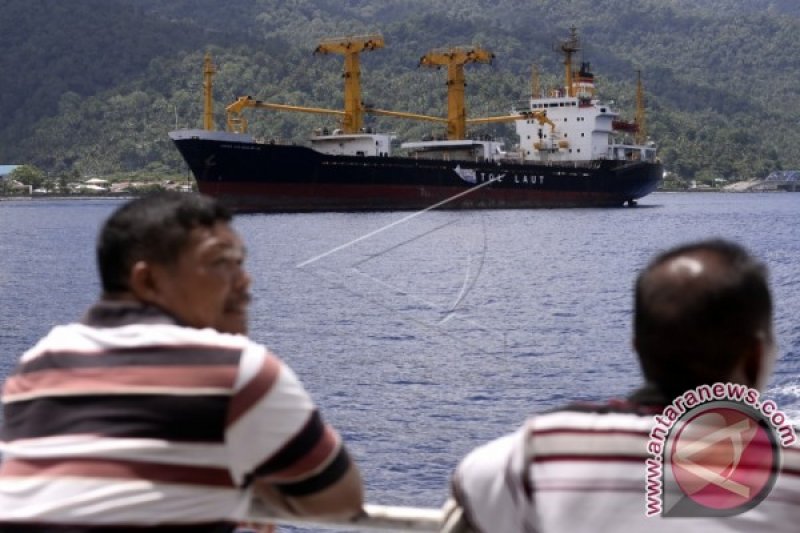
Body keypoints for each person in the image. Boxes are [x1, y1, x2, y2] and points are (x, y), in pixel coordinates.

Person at [0, 191, 363, 531]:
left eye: (241, 262)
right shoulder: (236, 370)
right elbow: (339, 502)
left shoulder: (37, 365)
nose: (244, 281)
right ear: (148, 280)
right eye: (221, 262)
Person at [445, 239, 800, 532]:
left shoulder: (542, 448)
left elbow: (471, 483)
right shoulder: (790, 467)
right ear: (754, 359)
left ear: (637, 348)